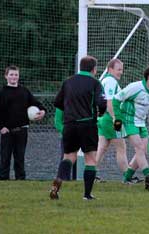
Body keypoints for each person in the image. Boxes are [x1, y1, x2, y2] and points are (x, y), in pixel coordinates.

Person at [50, 55, 106, 200]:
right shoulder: (95, 83)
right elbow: (102, 103)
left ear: (80, 67)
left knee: (69, 156)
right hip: (87, 125)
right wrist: (101, 113)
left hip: (69, 125)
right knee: (90, 159)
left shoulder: (68, 82)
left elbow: (58, 103)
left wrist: (60, 124)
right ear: (94, 69)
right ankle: (87, 195)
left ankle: (58, 181)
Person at [112, 65, 149, 184]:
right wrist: (118, 119)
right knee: (139, 148)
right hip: (128, 120)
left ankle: (126, 178)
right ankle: (148, 176)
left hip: (141, 122)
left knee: (142, 150)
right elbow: (116, 99)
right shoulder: (135, 87)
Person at [0, 65, 46, 180]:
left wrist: (42, 110)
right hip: (7, 131)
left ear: (18, 76)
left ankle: (20, 180)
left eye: (16, 75)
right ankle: (3, 180)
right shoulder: (2, 93)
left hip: (22, 130)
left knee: (20, 157)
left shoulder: (24, 91)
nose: (14, 77)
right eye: (11, 74)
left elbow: (35, 102)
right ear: (6, 76)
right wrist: (1, 127)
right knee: (5, 157)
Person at [95, 59, 128, 182]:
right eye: (118, 69)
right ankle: (127, 176)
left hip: (104, 118)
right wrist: (116, 119)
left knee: (102, 147)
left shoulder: (107, 80)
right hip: (110, 119)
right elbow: (109, 102)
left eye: (122, 69)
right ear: (110, 69)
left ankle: (91, 174)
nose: (121, 72)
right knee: (121, 147)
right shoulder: (110, 81)